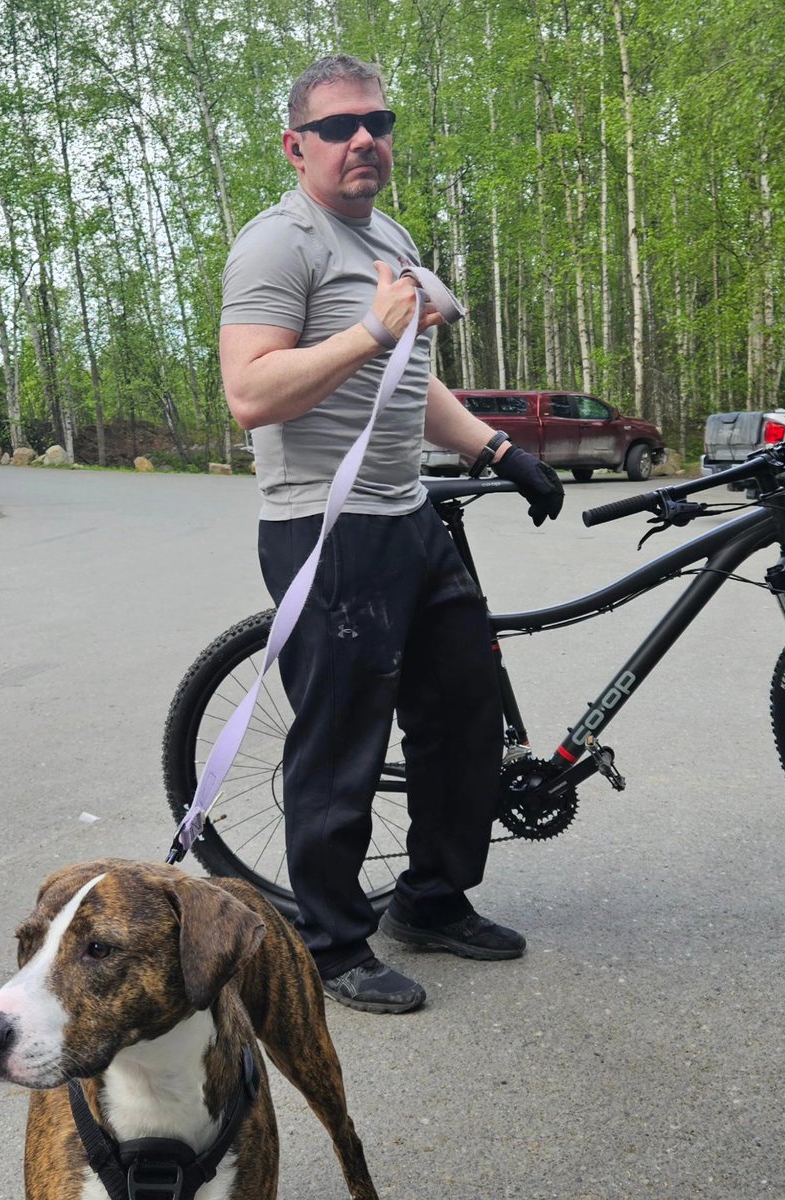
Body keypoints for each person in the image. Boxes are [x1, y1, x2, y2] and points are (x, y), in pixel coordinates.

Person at [218, 54, 565, 1014]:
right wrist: (369, 330)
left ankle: (433, 899)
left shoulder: (390, 236)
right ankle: (331, 944)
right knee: (343, 748)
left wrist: (498, 451)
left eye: (378, 120)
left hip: (412, 518)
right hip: (325, 534)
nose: (363, 138)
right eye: (337, 127)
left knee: (463, 721)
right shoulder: (278, 244)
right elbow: (249, 394)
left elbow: (409, 387)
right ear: (297, 147)